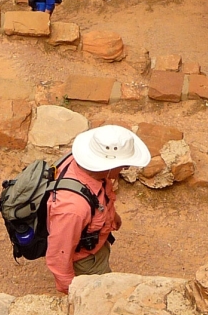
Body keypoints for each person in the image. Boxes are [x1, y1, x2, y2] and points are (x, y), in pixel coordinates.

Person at [45, 126, 149, 294]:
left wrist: (112, 216)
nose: (126, 168)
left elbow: (99, 195)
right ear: (107, 165)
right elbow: (58, 254)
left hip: (96, 242)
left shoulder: (86, 167)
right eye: (123, 165)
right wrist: (72, 290)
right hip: (87, 261)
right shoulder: (73, 209)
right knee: (104, 294)